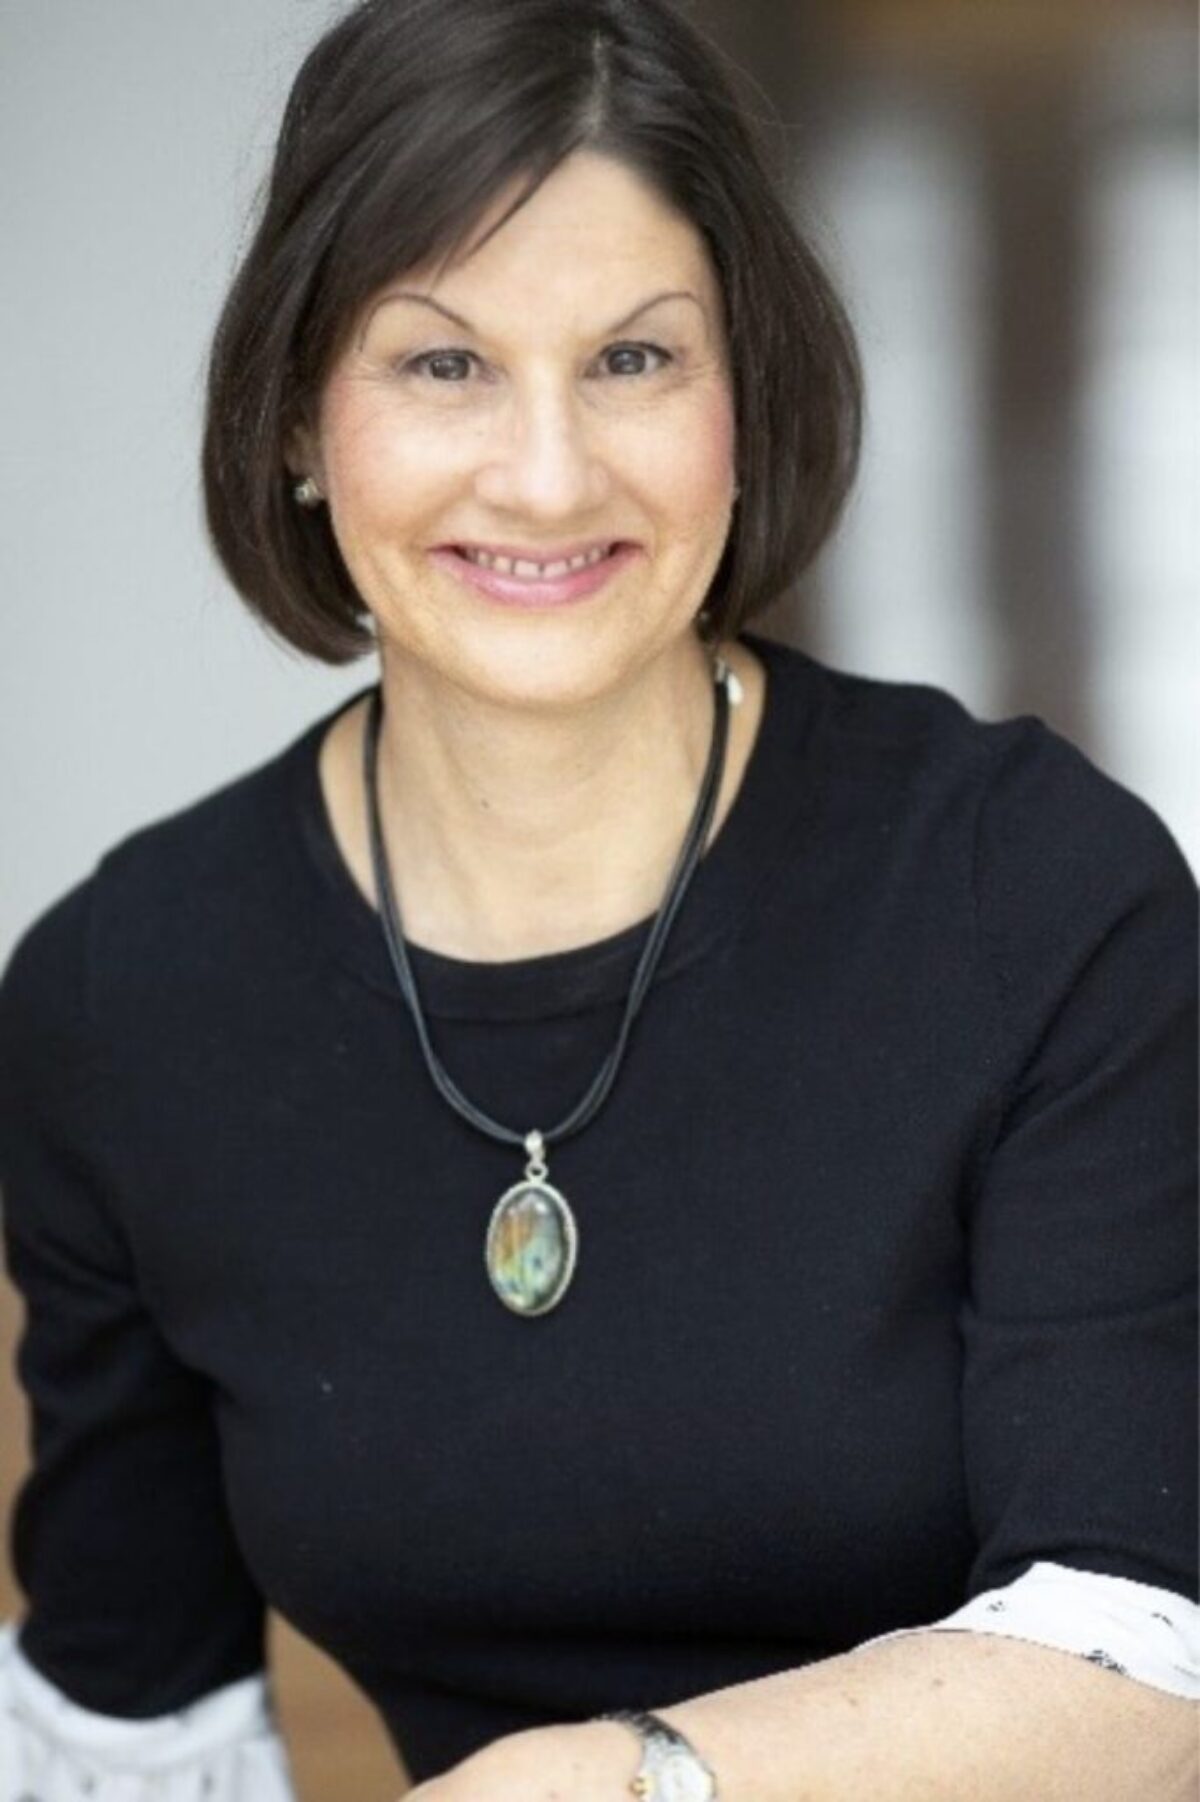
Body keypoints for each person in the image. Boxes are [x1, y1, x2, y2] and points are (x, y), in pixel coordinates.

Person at [0, 0, 1196, 1796]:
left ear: (745, 399)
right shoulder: (127, 997)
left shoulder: (1031, 890)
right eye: (443, 364)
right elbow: (134, 1726)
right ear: (298, 422)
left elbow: (1150, 1663)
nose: (549, 475)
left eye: (634, 357)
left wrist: (615, 1782)